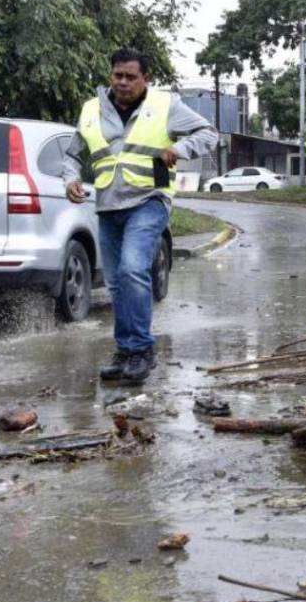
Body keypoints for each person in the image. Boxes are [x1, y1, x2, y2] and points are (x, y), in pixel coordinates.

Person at [63, 48, 217, 385]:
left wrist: (179, 149)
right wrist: (70, 179)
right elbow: (73, 155)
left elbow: (209, 133)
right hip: (108, 205)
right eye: (118, 75)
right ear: (110, 75)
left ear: (145, 78)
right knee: (117, 282)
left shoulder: (164, 106)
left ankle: (142, 350)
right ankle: (126, 350)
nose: (123, 82)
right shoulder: (92, 110)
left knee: (133, 269)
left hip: (149, 199)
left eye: (131, 77)